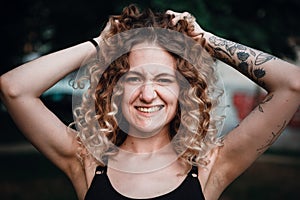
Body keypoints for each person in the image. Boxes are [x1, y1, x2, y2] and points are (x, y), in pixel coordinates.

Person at [0, 4, 299, 200]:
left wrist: (206, 40)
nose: (147, 93)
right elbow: (13, 88)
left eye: (164, 80)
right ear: (115, 88)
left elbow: (292, 84)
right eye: (133, 78)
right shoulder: (87, 160)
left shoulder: (210, 165)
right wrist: (102, 46)